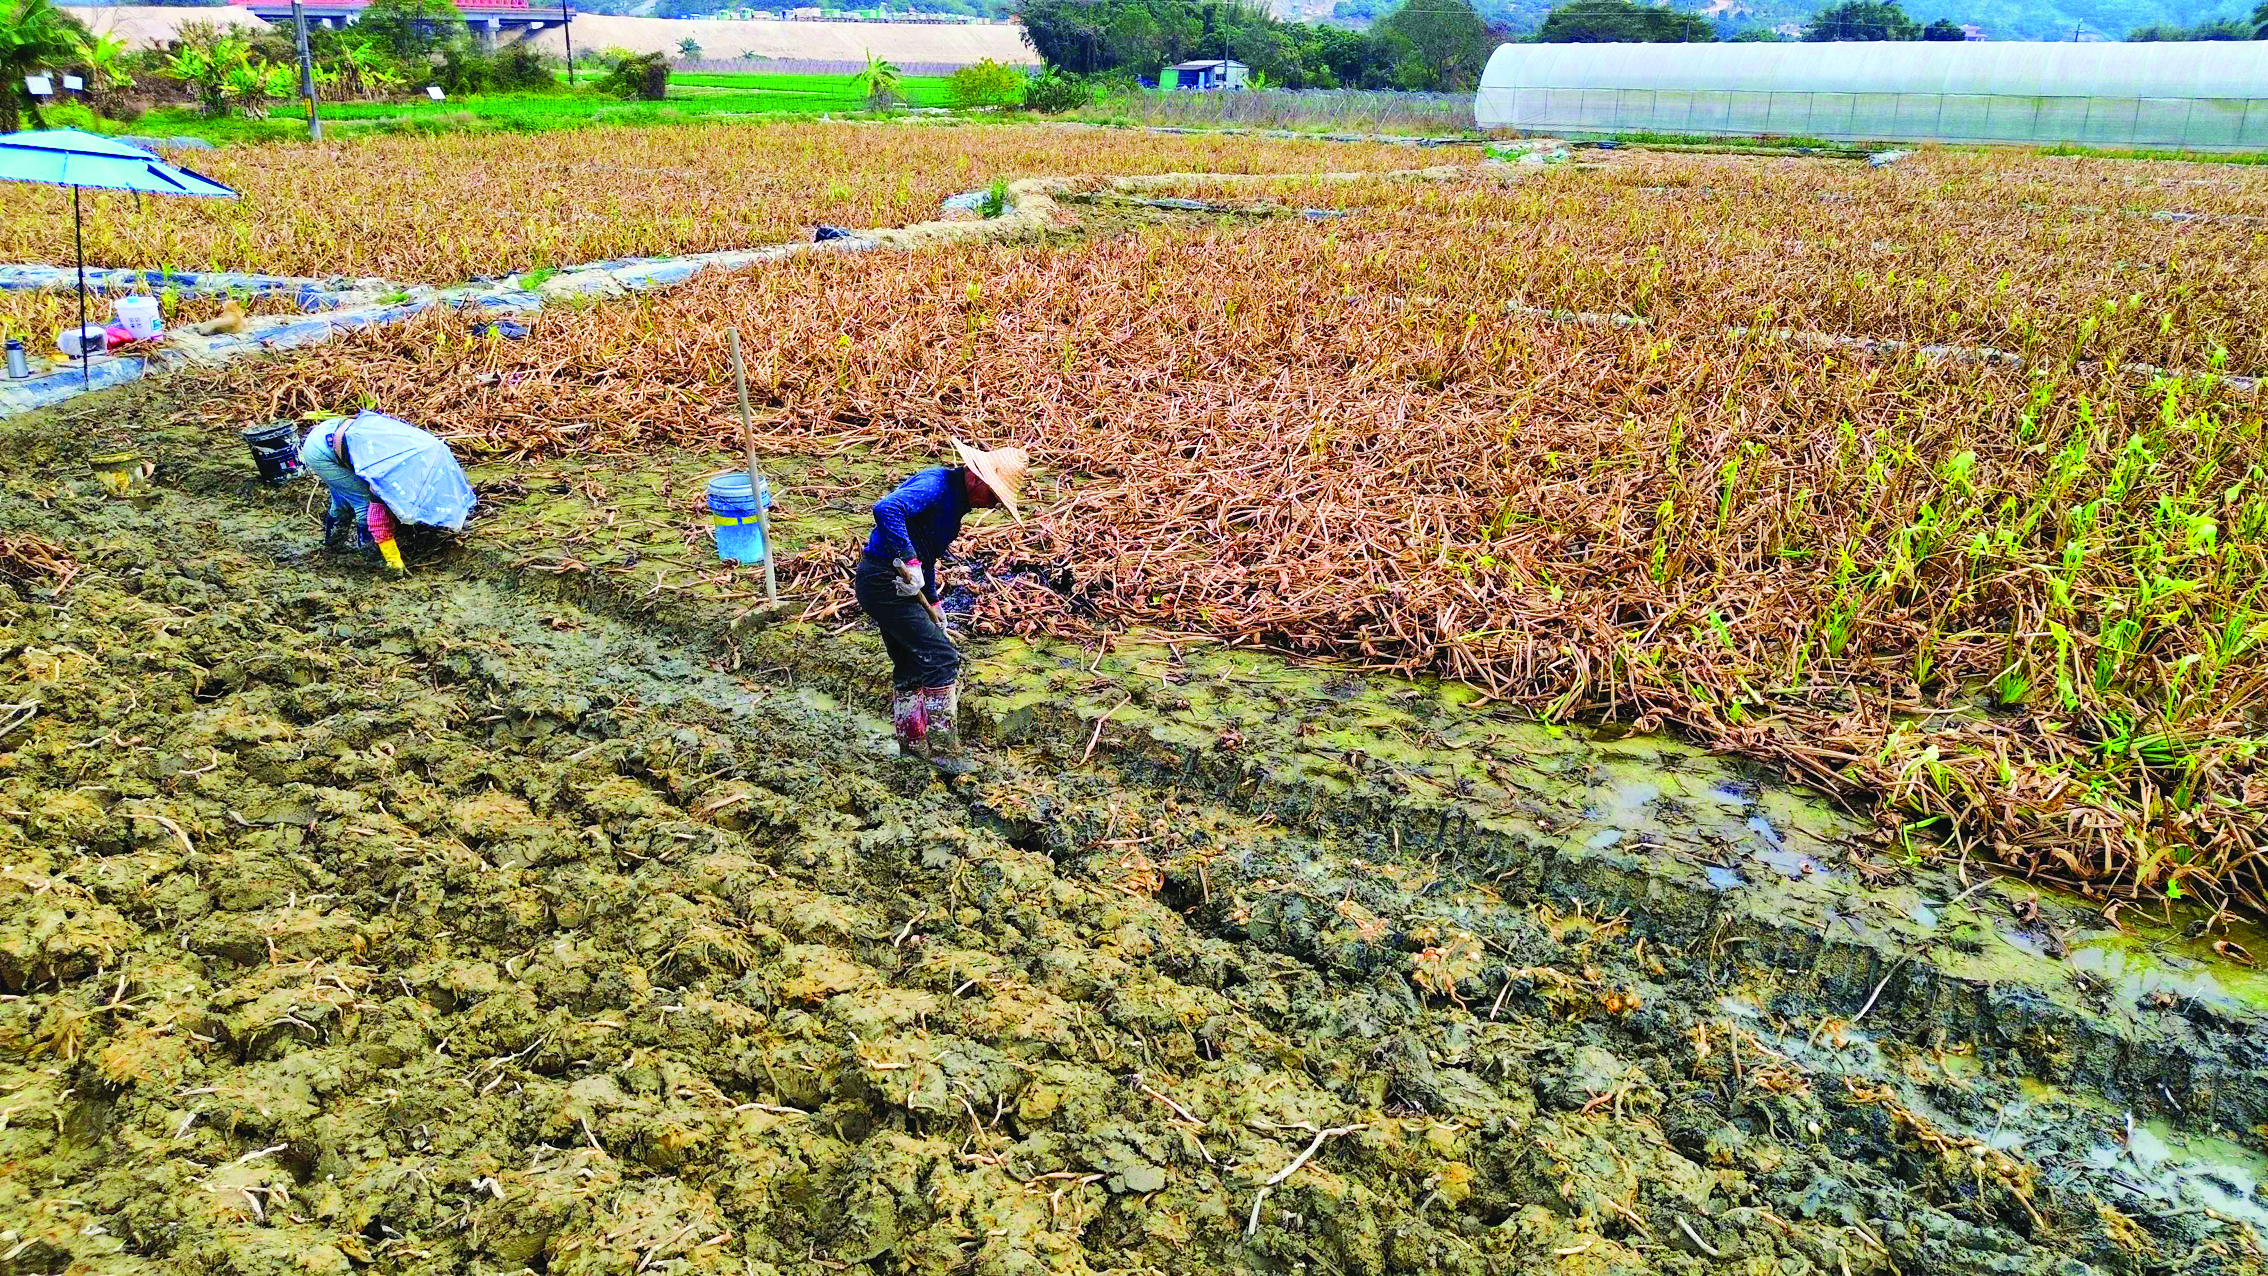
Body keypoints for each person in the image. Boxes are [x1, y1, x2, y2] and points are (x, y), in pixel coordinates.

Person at [857, 438, 1028, 774]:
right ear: (978, 479)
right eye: (994, 496)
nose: (992, 505)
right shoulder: (936, 485)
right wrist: (909, 561)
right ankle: (944, 751)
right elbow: (886, 510)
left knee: (910, 663)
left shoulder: (955, 508)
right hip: (883, 580)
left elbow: (927, 554)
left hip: (898, 584)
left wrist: (933, 600)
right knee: (942, 657)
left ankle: (912, 744)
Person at [297, 411, 476, 573]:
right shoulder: (386, 472)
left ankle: (333, 544)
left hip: (338, 433)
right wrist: (393, 559)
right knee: (363, 502)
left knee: (344, 498)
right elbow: (377, 516)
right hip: (322, 450)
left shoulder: (415, 453)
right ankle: (371, 556)